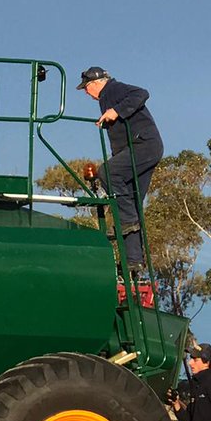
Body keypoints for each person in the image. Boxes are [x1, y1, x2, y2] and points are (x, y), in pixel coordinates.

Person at [77, 67, 164, 270]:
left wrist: (116, 111)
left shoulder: (113, 89)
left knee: (107, 172)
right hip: (140, 148)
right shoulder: (105, 98)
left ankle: (128, 222)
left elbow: (141, 93)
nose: (85, 93)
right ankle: (133, 260)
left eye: (86, 88)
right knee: (132, 203)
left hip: (144, 146)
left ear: (96, 83)